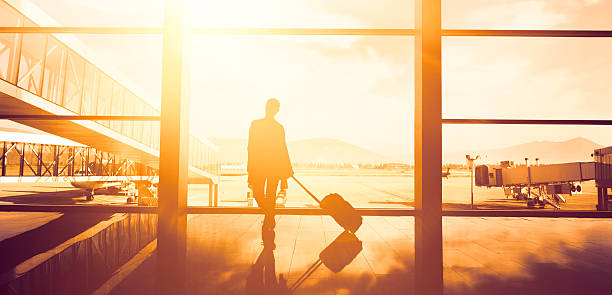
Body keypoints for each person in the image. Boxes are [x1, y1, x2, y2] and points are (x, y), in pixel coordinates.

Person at [247, 98, 293, 211]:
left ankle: (269, 222)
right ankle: (269, 217)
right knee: (264, 196)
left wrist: (288, 168)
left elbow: (282, 148)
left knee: (266, 196)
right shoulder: (262, 125)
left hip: (266, 167)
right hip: (267, 166)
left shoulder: (259, 125)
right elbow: (283, 149)